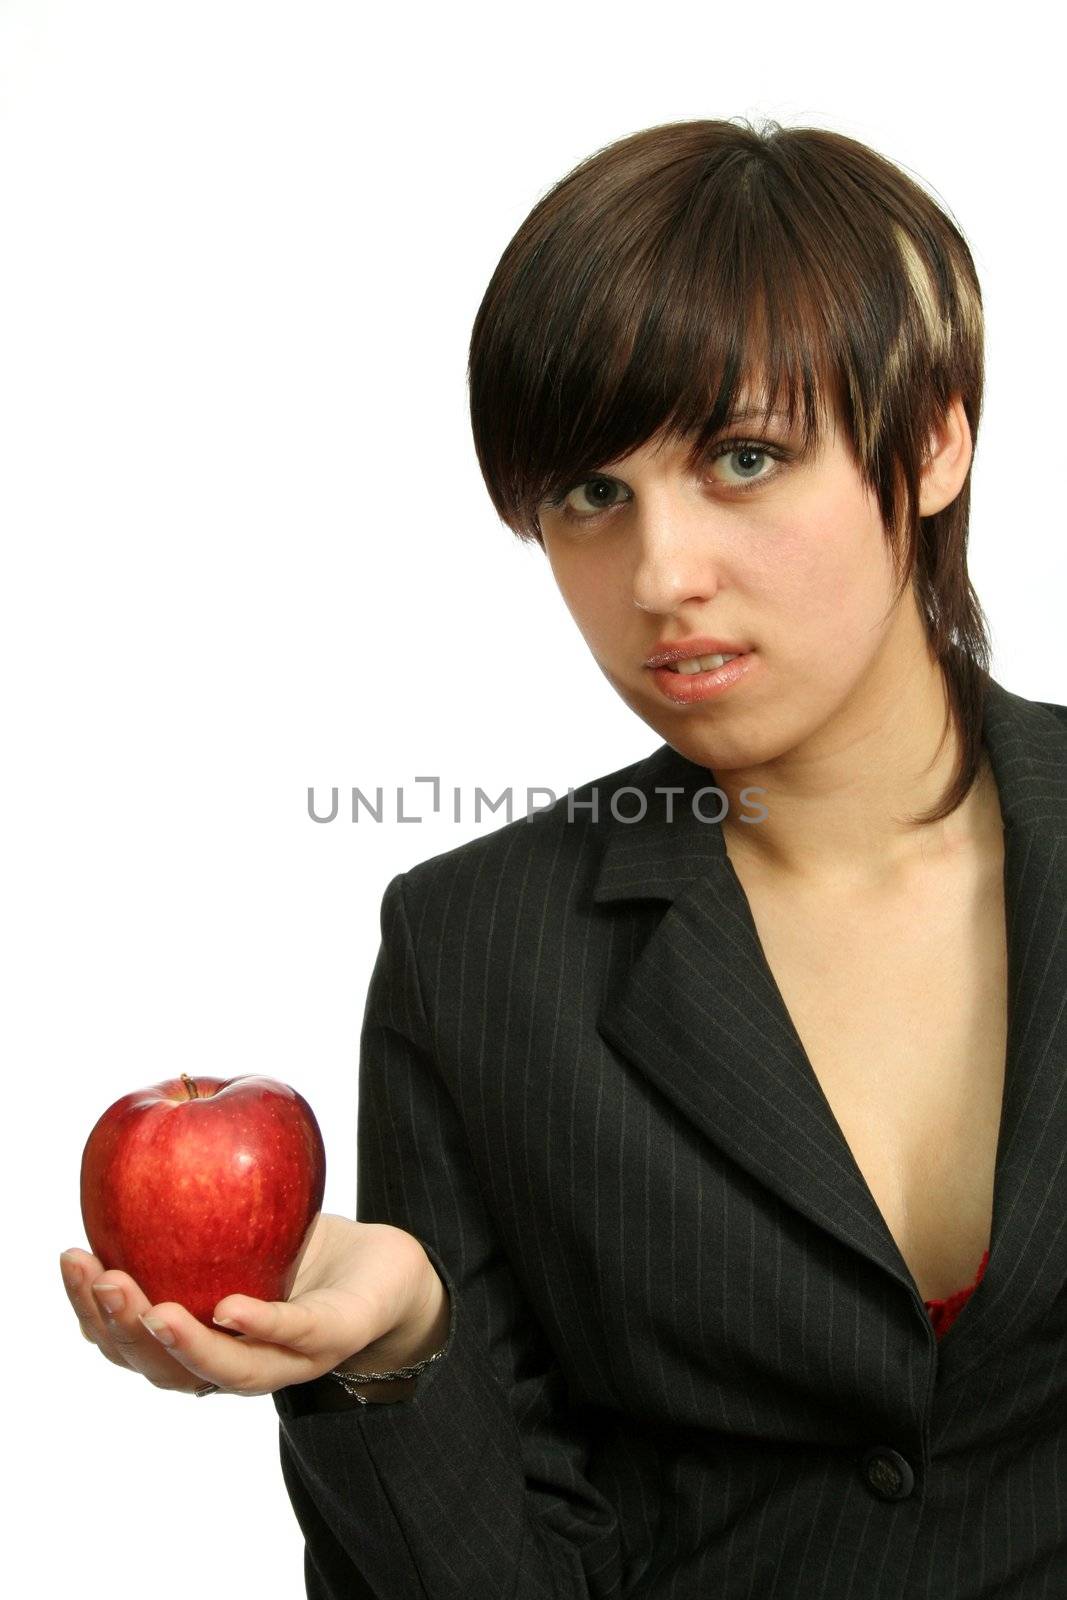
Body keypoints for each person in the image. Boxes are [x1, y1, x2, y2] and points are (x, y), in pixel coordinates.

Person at [60, 117, 1067, 1597]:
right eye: (595, 495)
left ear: (930, 443)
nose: (662, 579)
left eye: (744, 457)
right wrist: (396, 1363)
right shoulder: (476, 950)